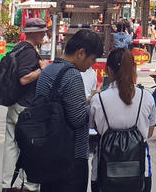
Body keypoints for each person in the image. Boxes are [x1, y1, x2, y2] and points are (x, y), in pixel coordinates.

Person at [33, 29, 103, 192]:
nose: (92, 64)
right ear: (81, 53)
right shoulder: (72, 75)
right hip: (71, 157)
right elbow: (78, 119)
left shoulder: (48, 71)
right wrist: (95, 105)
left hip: (47, 152)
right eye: (92, 59)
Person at [90, 48, 156, 192]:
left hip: (103, 172)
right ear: (134, 68)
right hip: (140, 172)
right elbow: (149, 133)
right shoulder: (146, 97)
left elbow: (92, 127)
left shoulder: (98, 100)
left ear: (108, 70)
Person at [2, 18, 48, 192]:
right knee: (32, 146)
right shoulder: (28, 52)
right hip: (25, 106)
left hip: (14, 103)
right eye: (42, 32)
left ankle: (7, 184)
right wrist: (42, 69)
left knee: (11, 145)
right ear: (34, 33)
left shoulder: (18, 48)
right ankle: (29, 185)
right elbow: (23, 78)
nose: (44, 34)